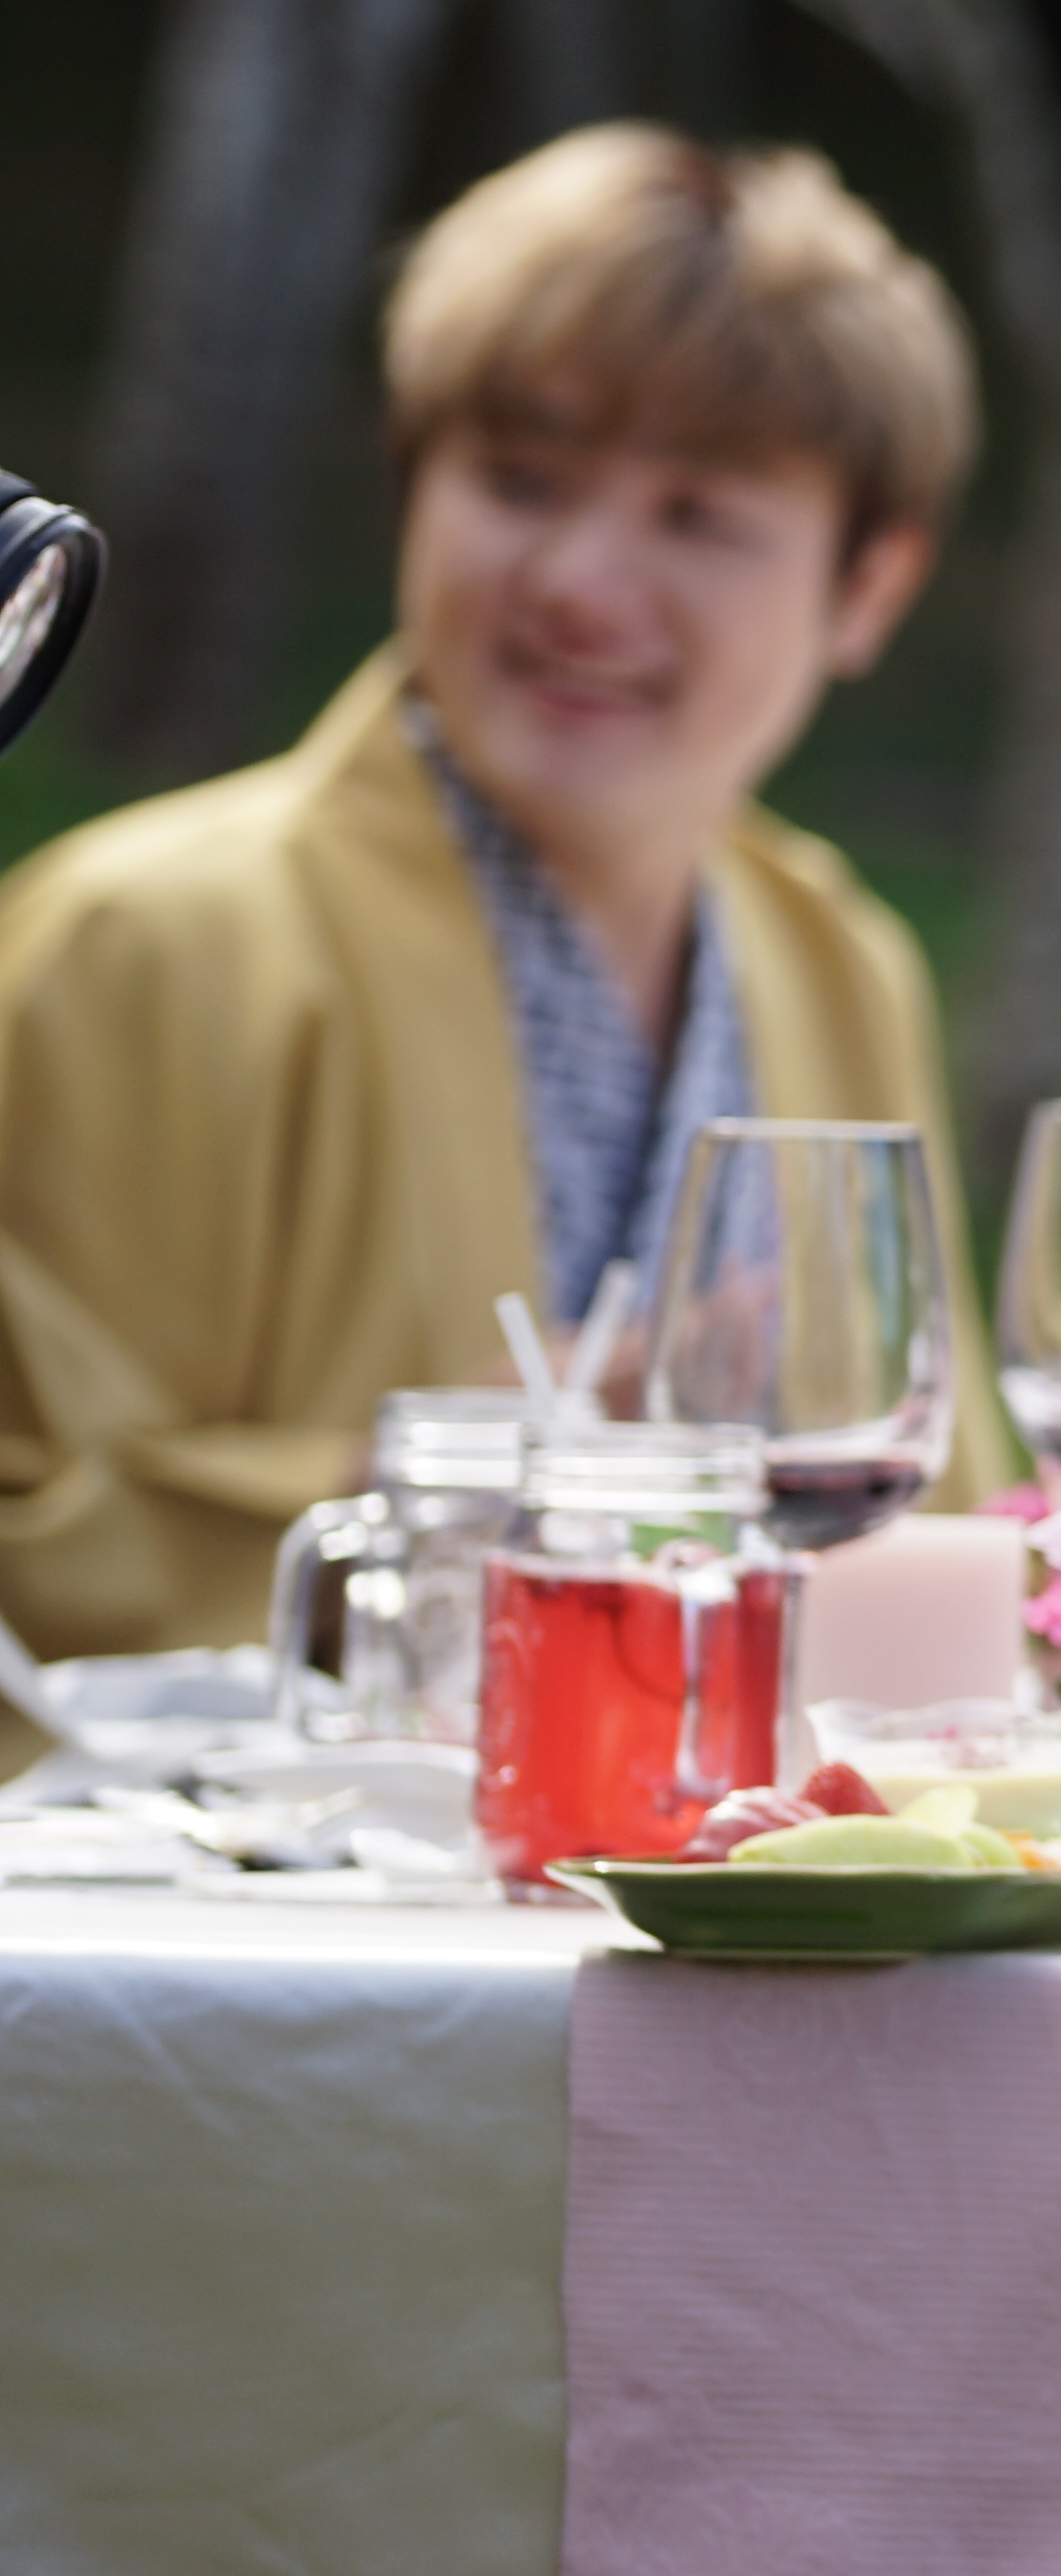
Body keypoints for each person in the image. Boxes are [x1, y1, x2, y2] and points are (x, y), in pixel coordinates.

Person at [0, 127, 967, 1661]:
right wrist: (512, 1475)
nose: (582, 581)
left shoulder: (840, 960)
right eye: (519, 480)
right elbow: (39, 1540)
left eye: (698, 517)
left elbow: (938, 1526)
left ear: (869, 587)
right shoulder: (140, 942)